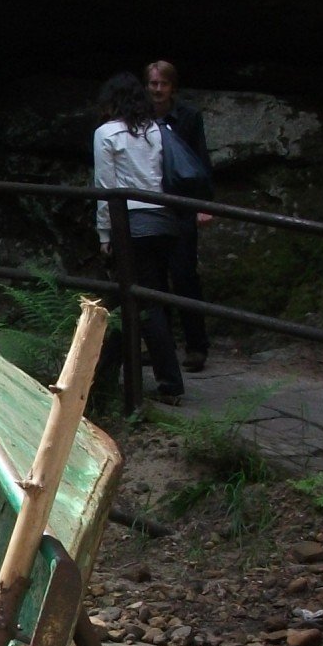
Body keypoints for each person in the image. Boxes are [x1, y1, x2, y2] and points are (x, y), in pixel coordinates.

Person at [92, 71, 184, 403]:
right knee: (128, 299)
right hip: (162, 221)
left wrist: (105, 234)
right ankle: (100, 377)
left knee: (145, 305)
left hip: (130, 224)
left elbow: (107, 189)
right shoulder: (155, 130)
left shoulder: (106, 134)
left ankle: (170, 383)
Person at [147, 59, 212, 372]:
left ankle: (197, 346)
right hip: (152, 203)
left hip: (182, 204)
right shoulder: (140, 117)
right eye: (153, 83)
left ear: (172, 87)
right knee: (155, 278)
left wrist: (203, 204)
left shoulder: (188, 117)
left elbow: (200, 160)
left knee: (185, 275)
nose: (158, 90)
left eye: (163, 84)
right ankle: (163, 346)